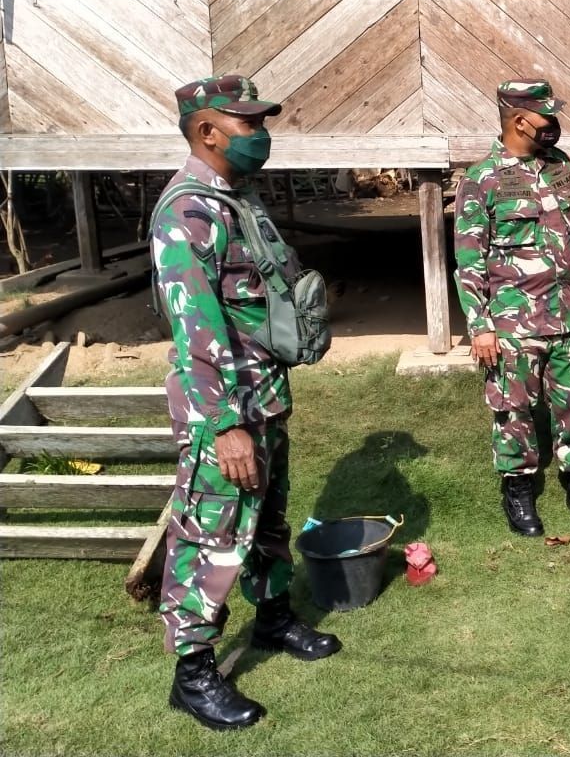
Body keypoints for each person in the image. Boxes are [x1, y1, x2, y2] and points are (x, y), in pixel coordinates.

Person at [152, 74, 340, 732]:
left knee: (268, 523)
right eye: (248, 125)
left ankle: (274, 619)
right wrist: (225, 423)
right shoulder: (185, 213)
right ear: (207, 131)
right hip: (223, 410)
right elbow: (193, 326)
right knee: (211, 535)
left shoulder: (238, 199)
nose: (261, 135)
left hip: (264, 395)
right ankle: (194, 673)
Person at [453, 79, 570, 536]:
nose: (554, 124)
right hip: (512, 322)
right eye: (546, 116)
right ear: (520, 121)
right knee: (514, 410)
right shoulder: (481, 179)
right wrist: (480, 326)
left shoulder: (562, 166)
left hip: (568, 313)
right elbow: (468, 258)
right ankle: (519, 494)